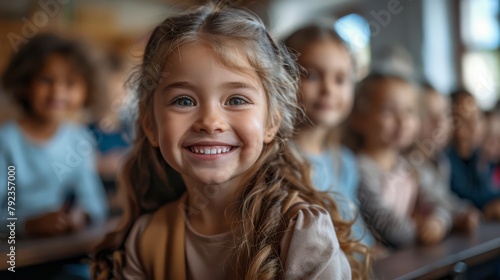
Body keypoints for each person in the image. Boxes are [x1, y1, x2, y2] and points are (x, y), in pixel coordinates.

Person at [92, 4, 371, 280]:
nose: (211, 121)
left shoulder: (301, 233)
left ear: (272, 121)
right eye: (184, 100)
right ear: (150, 124)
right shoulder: (146, 238)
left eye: (236, 100)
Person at [0, 34, 108, 238]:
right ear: (24, 83)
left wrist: (81, 215)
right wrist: (27, 225)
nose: (57, 93)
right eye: (46, 80)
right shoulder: (6, 142)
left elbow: (95, 203)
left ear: (87, 90)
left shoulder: (79, 140)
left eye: (71, 83)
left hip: (56, 248)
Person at [284, 25, 372, 246]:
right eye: (312, 75)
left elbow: (358, 231)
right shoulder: (280, 164)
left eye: (340, 79)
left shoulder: (345, 162)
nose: (329, 90)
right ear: (284, 78)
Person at [348, 73, 451, 249]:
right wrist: (417, 229)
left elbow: (441, 203)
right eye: (388, 110)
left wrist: (437, 222)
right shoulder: (359, 168)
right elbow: (384, 223)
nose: (402, 120)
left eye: (409, 111)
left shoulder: (408, 166)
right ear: (360, 118)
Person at [413, 84, 479, 232]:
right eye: (429, 115)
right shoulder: (411, 165)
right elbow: (432, 202)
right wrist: (449, 217)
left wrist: (465, 210)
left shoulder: (441, 160)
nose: (439, 123)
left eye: (444, 114)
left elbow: (444, 198)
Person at [447, 89, 500, 220]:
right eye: (464, 121)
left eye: (477, 118)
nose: (473, 126)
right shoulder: (448, 161)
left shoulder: (479, 155)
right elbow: (464, 194)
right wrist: (486, 207)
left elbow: (488, 187)